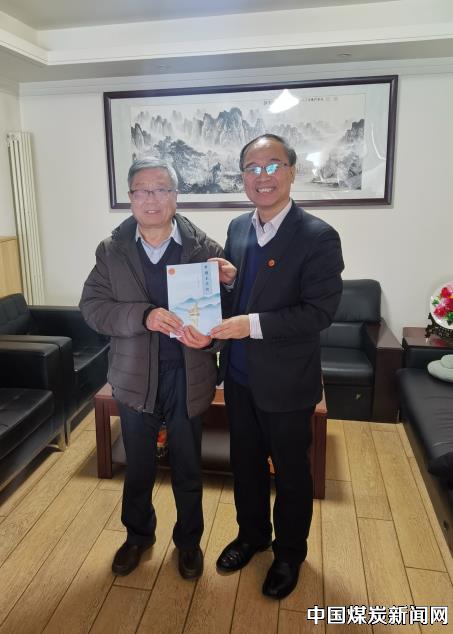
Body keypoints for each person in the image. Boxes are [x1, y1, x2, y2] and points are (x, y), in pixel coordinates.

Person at [209, 134, 344, 599]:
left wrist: (250, 325)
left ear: (292, 171)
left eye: (272, 165)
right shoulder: (238, 228)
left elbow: (319, 313)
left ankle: (289, 553)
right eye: (252, 167)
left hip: (287, 381)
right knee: (244, 464)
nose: (262, 176)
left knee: (290, 471)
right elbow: (239, 296)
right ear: (242, 176)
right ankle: (252, 536)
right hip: (239, 376)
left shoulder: (318, 236)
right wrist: (225, 282)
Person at [80, 157, 223, 580]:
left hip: (187, 375)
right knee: (138, 467)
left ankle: (189, 542)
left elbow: (228, 313)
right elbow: (93, 308)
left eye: (161, 189)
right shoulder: (112, 251)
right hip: (133, 375)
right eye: (141, 190)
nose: (151, 199)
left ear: (176, 196)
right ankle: (138, 536)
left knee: (187, 466)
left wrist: (211, 338)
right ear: (130, 198)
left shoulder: (205, 250)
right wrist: (143, 316)